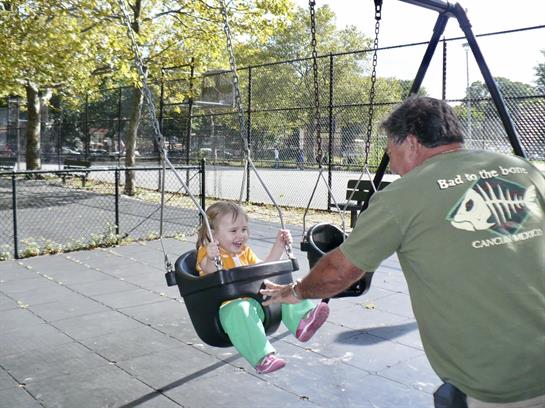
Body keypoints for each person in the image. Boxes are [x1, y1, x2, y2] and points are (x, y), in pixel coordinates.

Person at [261, 96, 545, 407]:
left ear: (410, 143)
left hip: (501, 382)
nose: (393, 164)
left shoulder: (402, 196)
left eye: (390, 153)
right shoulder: (520, 169)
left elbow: (338, 273)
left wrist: (297, 291)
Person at [196, 201, 329, 374]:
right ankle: (263, 358)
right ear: (213, 234)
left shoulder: (245, 252)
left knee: (281, 290)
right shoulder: (207, 252)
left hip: (255, 305)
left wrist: (279, 245)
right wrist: (212, 258)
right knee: (241, 308)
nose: (241, 235)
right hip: (227, 312)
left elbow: (264, 268)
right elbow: (208, 270)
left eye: (244, 229)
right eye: (233, 231)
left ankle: (303, 321)